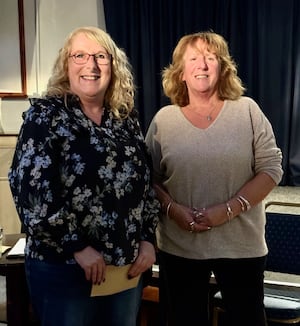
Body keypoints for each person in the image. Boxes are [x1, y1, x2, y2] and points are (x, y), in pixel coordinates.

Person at [8, 26, 160, 326]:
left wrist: (147, 239)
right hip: (64, 266)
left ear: (113, 66)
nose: (90, 65)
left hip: (123, 268)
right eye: (80, 55)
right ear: (66, 64)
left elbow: (145, 185)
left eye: (100, 56)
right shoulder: (45, 116)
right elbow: (31, 191)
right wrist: (77, 246)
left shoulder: (125, 119)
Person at [145, 31, 283, 326]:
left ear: (223, 68)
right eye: (193, 58)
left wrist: (228, 209)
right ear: (181, 73)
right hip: (179, 246)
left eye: (211, 58)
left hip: (241, 247)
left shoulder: (248, 111)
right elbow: (149, 180)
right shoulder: (163, 120)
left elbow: (271, 169)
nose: (203, 65)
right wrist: (172, 209)